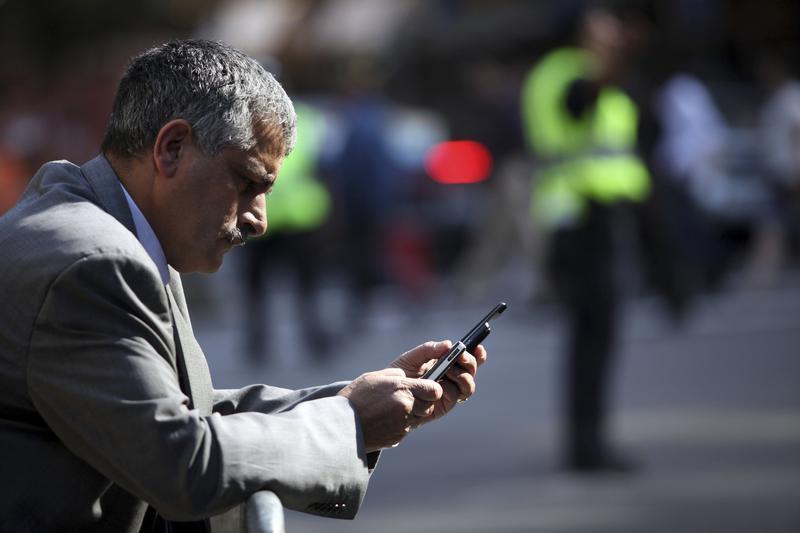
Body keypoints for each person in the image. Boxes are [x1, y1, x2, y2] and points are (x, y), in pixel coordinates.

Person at [0, 39, 486, 532]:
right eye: (247, 182)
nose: (259, 220)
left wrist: (354, 402)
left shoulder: (109, 224)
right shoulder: (95, 261)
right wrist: (349, 424)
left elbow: (186, 411)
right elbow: (183, 462)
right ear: (172, 148)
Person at [521, 7, 649, 472]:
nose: (612, 30)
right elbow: (579, 103)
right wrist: (617, 59)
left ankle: (589, 442)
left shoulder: (584, 74)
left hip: (601, 217)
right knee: (592, 338)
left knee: (596, 337)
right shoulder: (565, 75)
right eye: (603, 24)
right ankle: (587, 447)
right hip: (581, 220)